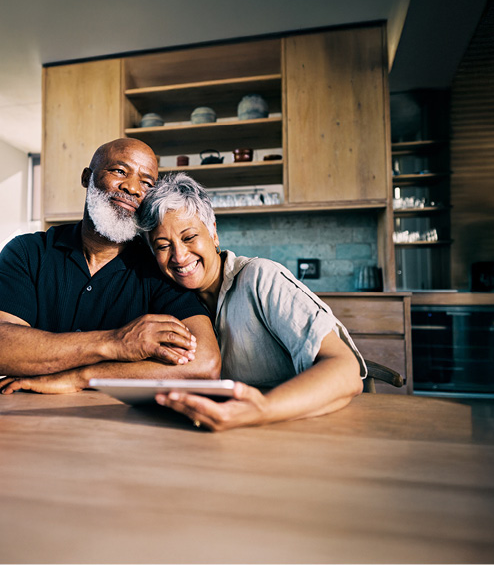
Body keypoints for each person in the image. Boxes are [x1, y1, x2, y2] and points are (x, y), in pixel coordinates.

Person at [0, 138, 220, 394]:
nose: (132, 188)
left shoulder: (158, 266)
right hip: (23, 418)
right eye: (120, 171)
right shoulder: (28, 252)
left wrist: (83, 376)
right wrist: (115, 343)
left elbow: (205, 364)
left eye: (146, 183)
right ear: (87, 177)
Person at [136, 172, 366, 431]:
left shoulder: (260, 278)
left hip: (298, 430)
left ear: (213, 233)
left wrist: (261, 410)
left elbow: (347, 371)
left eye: (189, 237)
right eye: (163, 246)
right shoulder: (171, 304)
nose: (178, 256)